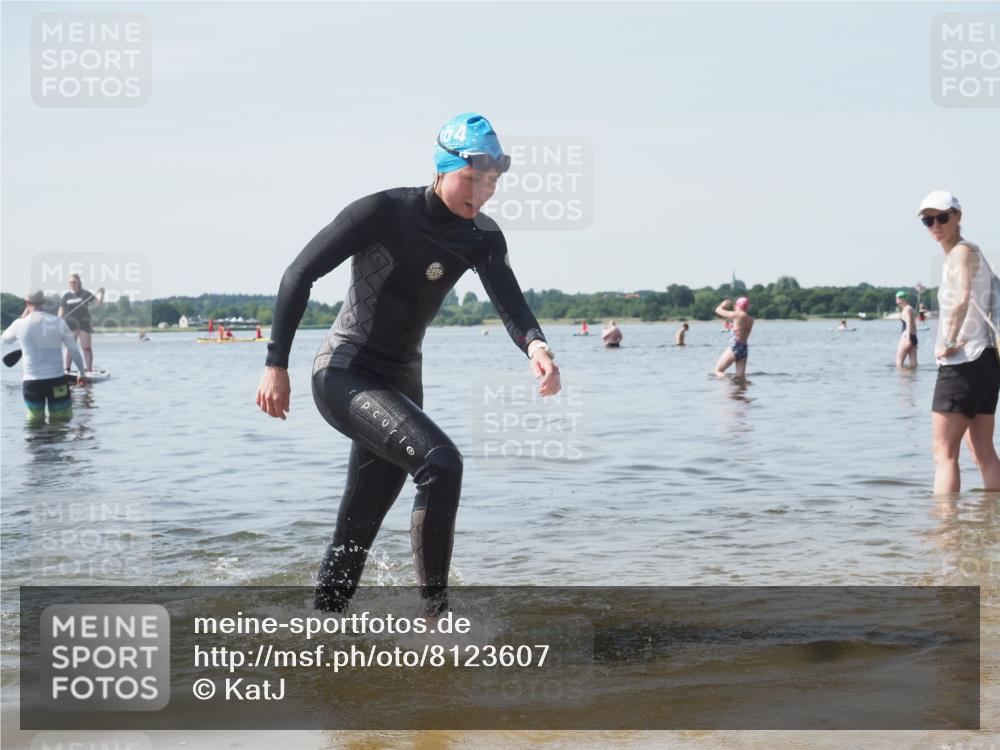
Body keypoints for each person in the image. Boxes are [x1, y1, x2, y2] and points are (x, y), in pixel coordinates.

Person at [255, 113, 561, 617]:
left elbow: (511, 305)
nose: (482, 193)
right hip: (345, 372)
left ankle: (322, 628)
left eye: (492, 182)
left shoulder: (482, 237)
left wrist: (537, 347)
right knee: (440, 464)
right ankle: (436, 619)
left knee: (357, 529)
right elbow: (298, 275)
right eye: (473, 178)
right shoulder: (382, 211)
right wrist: (275, 365)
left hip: (400, 386)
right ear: (443, 168)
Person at [920, 191, 1000, 493]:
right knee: (982, 452)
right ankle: (992, 523)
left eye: (942, 217)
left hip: (963, 360)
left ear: (958, 217)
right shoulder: (971, 252)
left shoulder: (961, 254)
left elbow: (962, 298)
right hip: (987, 361)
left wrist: (949, 341)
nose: (935, 225)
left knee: (944, 455)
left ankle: (947, 534)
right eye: (928, 220)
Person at [3, 290, 87, 424]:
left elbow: (5, 340)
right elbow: (74, 350)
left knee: (34, 423)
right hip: (57, 381)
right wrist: (81, 373)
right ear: (43, 302)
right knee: (61, 421)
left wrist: (23, 316)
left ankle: (38, 443)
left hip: (32, 384)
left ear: (27, 302)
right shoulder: (59, 322)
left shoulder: (19, 324)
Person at [58, 275, 104, 373]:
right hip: (70, 325)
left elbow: (98, 303)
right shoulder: (66, 296)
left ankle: (89, 369)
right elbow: (61, 311)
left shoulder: (85, 293)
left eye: (74, 282)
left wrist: (102, 294)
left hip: (84, 324)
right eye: (70, 282)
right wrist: (58, 320)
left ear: (79, 283)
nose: (72, 284)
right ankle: (67, 369)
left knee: (86, 348)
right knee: (70, 347)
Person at [714, 296, 754, 378]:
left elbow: (718, 310)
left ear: (738, 306)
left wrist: (722, 305)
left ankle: (729, 384)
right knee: (740, 376)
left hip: (735, 346)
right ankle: (741, 389)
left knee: (718, 371)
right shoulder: (750, 319)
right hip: (744, 349)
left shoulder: (737, 315)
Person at [895, 291, 918, 369]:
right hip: (913, 336)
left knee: (899, 362)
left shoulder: (907, 309)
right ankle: (913, 379)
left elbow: (909, 325)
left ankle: (903, 379)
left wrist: (908, 339)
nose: (896, 300)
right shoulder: (910, 308)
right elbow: (914, 325)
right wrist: (914, 340)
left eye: (897, 298)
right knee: (913, 363)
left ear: (902, 299)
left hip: (906, 337)